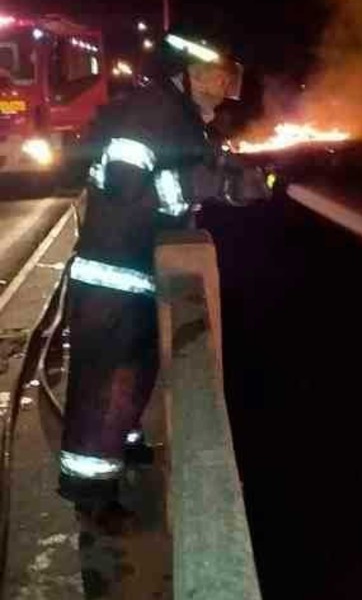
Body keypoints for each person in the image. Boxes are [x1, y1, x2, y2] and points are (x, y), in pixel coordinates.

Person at [57, 29, 268, 511]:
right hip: (113, 276)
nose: (226, 85)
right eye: (219, 74)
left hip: (137, 271)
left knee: (131, 374)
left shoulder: (181, 118)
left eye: (230, 76)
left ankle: (122, 450)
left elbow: (193, 176)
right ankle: (90, 492)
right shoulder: (150, 113)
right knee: (105, 385)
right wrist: (208, 184)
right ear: (192, 72)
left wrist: (233, 183)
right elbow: (124, 187)